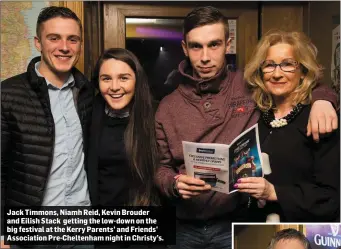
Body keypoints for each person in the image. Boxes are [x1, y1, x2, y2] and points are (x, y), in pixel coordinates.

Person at [154, 6, 338, 249]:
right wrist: (174, 184)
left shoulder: (250, 86)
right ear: (185, 48)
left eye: (214, 44)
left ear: (228, 44)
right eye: (196, 46)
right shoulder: (167, 107)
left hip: (236, 222)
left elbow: (296, 78)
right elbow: (161, 168)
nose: (205, 56)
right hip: (183, 226)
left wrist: (324, 99)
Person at [1, 6, 94, 249]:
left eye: (72, 39)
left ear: (80, 45)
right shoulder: (8, 94)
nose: (64, 47)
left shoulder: (89, 94)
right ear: (38, 43)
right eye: (54, 38)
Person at [236, 30, 340, 222]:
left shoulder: (320, 117)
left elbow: (332, 198)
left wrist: (274, 192)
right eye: (269, 65)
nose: (276, 74)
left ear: (303, 71)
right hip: (253, 227)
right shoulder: (256, 114)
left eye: (287, 64)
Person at [86, 48, 160, 248]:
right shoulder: (88, 115)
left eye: (124, 78)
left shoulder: (155, 116)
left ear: (137, 80)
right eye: (106, 79)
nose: (115, 87)